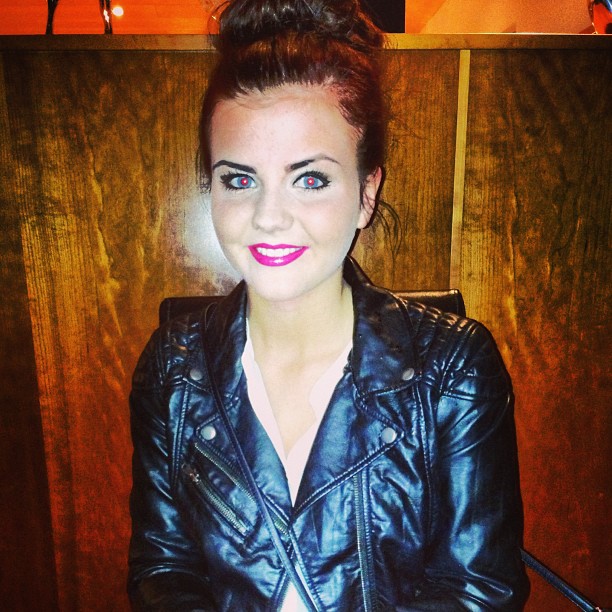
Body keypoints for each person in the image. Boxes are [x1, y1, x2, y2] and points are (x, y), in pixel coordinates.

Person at [128, 0, 530, 609]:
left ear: (366, 194)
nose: (268, 217)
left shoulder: (454, 368)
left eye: (309, 179)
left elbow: (479, 590)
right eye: (240, 179)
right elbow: (163, 568)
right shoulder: (173, 366)